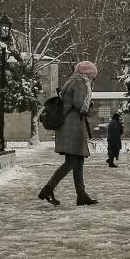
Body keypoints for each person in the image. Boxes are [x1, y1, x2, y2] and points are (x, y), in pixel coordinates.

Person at [39, 61, 98, 206]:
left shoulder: (72, 81)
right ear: (88, 74)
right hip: (72, 128)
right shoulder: (80, 83)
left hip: (68, 126)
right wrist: (91, 107)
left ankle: (81, 195)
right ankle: (48, 189)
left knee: (78, 161)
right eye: (92, 76)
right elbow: (80, 106)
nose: (92, 79)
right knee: (72, 161)